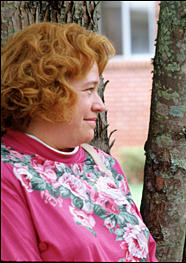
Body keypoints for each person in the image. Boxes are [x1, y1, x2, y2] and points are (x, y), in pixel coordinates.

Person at [1, 22, 157, 262]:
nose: (100, 105)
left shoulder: (103, 164)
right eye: (89, 90)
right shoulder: (8, 176)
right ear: (49, 92)